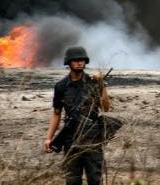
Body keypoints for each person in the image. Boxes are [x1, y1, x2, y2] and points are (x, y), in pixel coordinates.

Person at [44, 46, 111, 185]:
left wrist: (102, 85)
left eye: (82, 60)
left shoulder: (93, 82)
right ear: (69, 63)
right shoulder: (61, 86)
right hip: (70, 140)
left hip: (92, 140)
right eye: (75, 60)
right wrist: (49, 138)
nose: (79, 63)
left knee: (95, 180)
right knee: (72, 180)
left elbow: (106, 107)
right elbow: (56, 113)